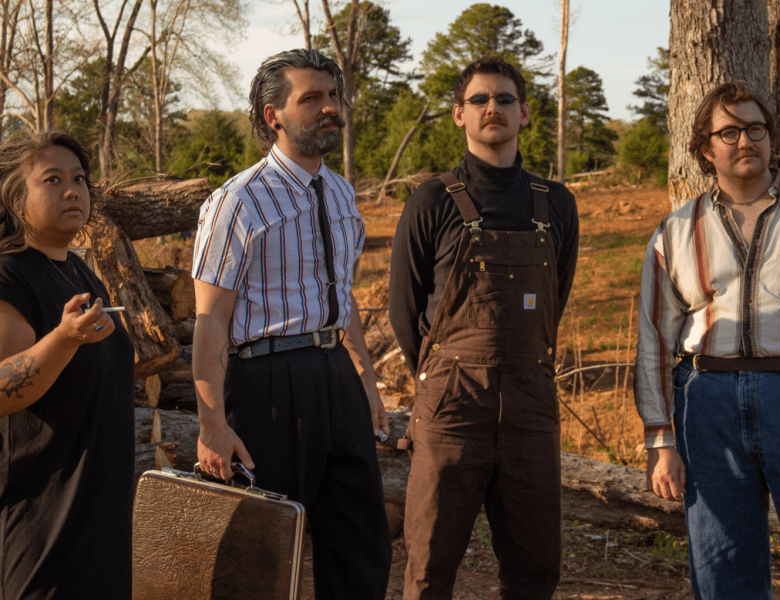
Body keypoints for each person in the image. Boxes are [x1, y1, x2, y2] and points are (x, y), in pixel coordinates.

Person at [191, 48, 391, 599]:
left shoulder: (342, 192)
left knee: (360, 541)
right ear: (272, 114)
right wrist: (212, 423)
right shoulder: (238, 202)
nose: (330, 108)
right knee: (259, 549)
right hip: (267, 385)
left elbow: (341, 299)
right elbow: (210, 322)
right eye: (312, 99)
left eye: (333, 96)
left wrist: (366, 383)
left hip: (336, 377)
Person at [389, 56, 579, 600]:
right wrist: (447, 376)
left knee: (536, 567)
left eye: (504, 99)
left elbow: (553, 302)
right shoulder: (431, 201)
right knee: (429, 566)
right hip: (451, 407)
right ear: (458, 115)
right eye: (479, 100)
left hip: (531, 404)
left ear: (524, 115)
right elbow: (405, 312)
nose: (491, 108)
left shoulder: (556, 204)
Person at [635, 81, 780, 598]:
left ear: (772, 140)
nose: (745, 140)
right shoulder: (676, 232)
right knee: (724, 563)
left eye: (755, 128)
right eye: (729, 131)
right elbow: (654, 340)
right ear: (707, 149)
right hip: (707, 404)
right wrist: (661, 439)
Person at [0, 131, 134, 599]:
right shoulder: (8, 275)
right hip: (42, 520)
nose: (74, 190)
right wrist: (62, 339)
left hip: (100, 515)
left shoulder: (79, 272)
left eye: (79, 178)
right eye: (53, 180)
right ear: (15, 198)